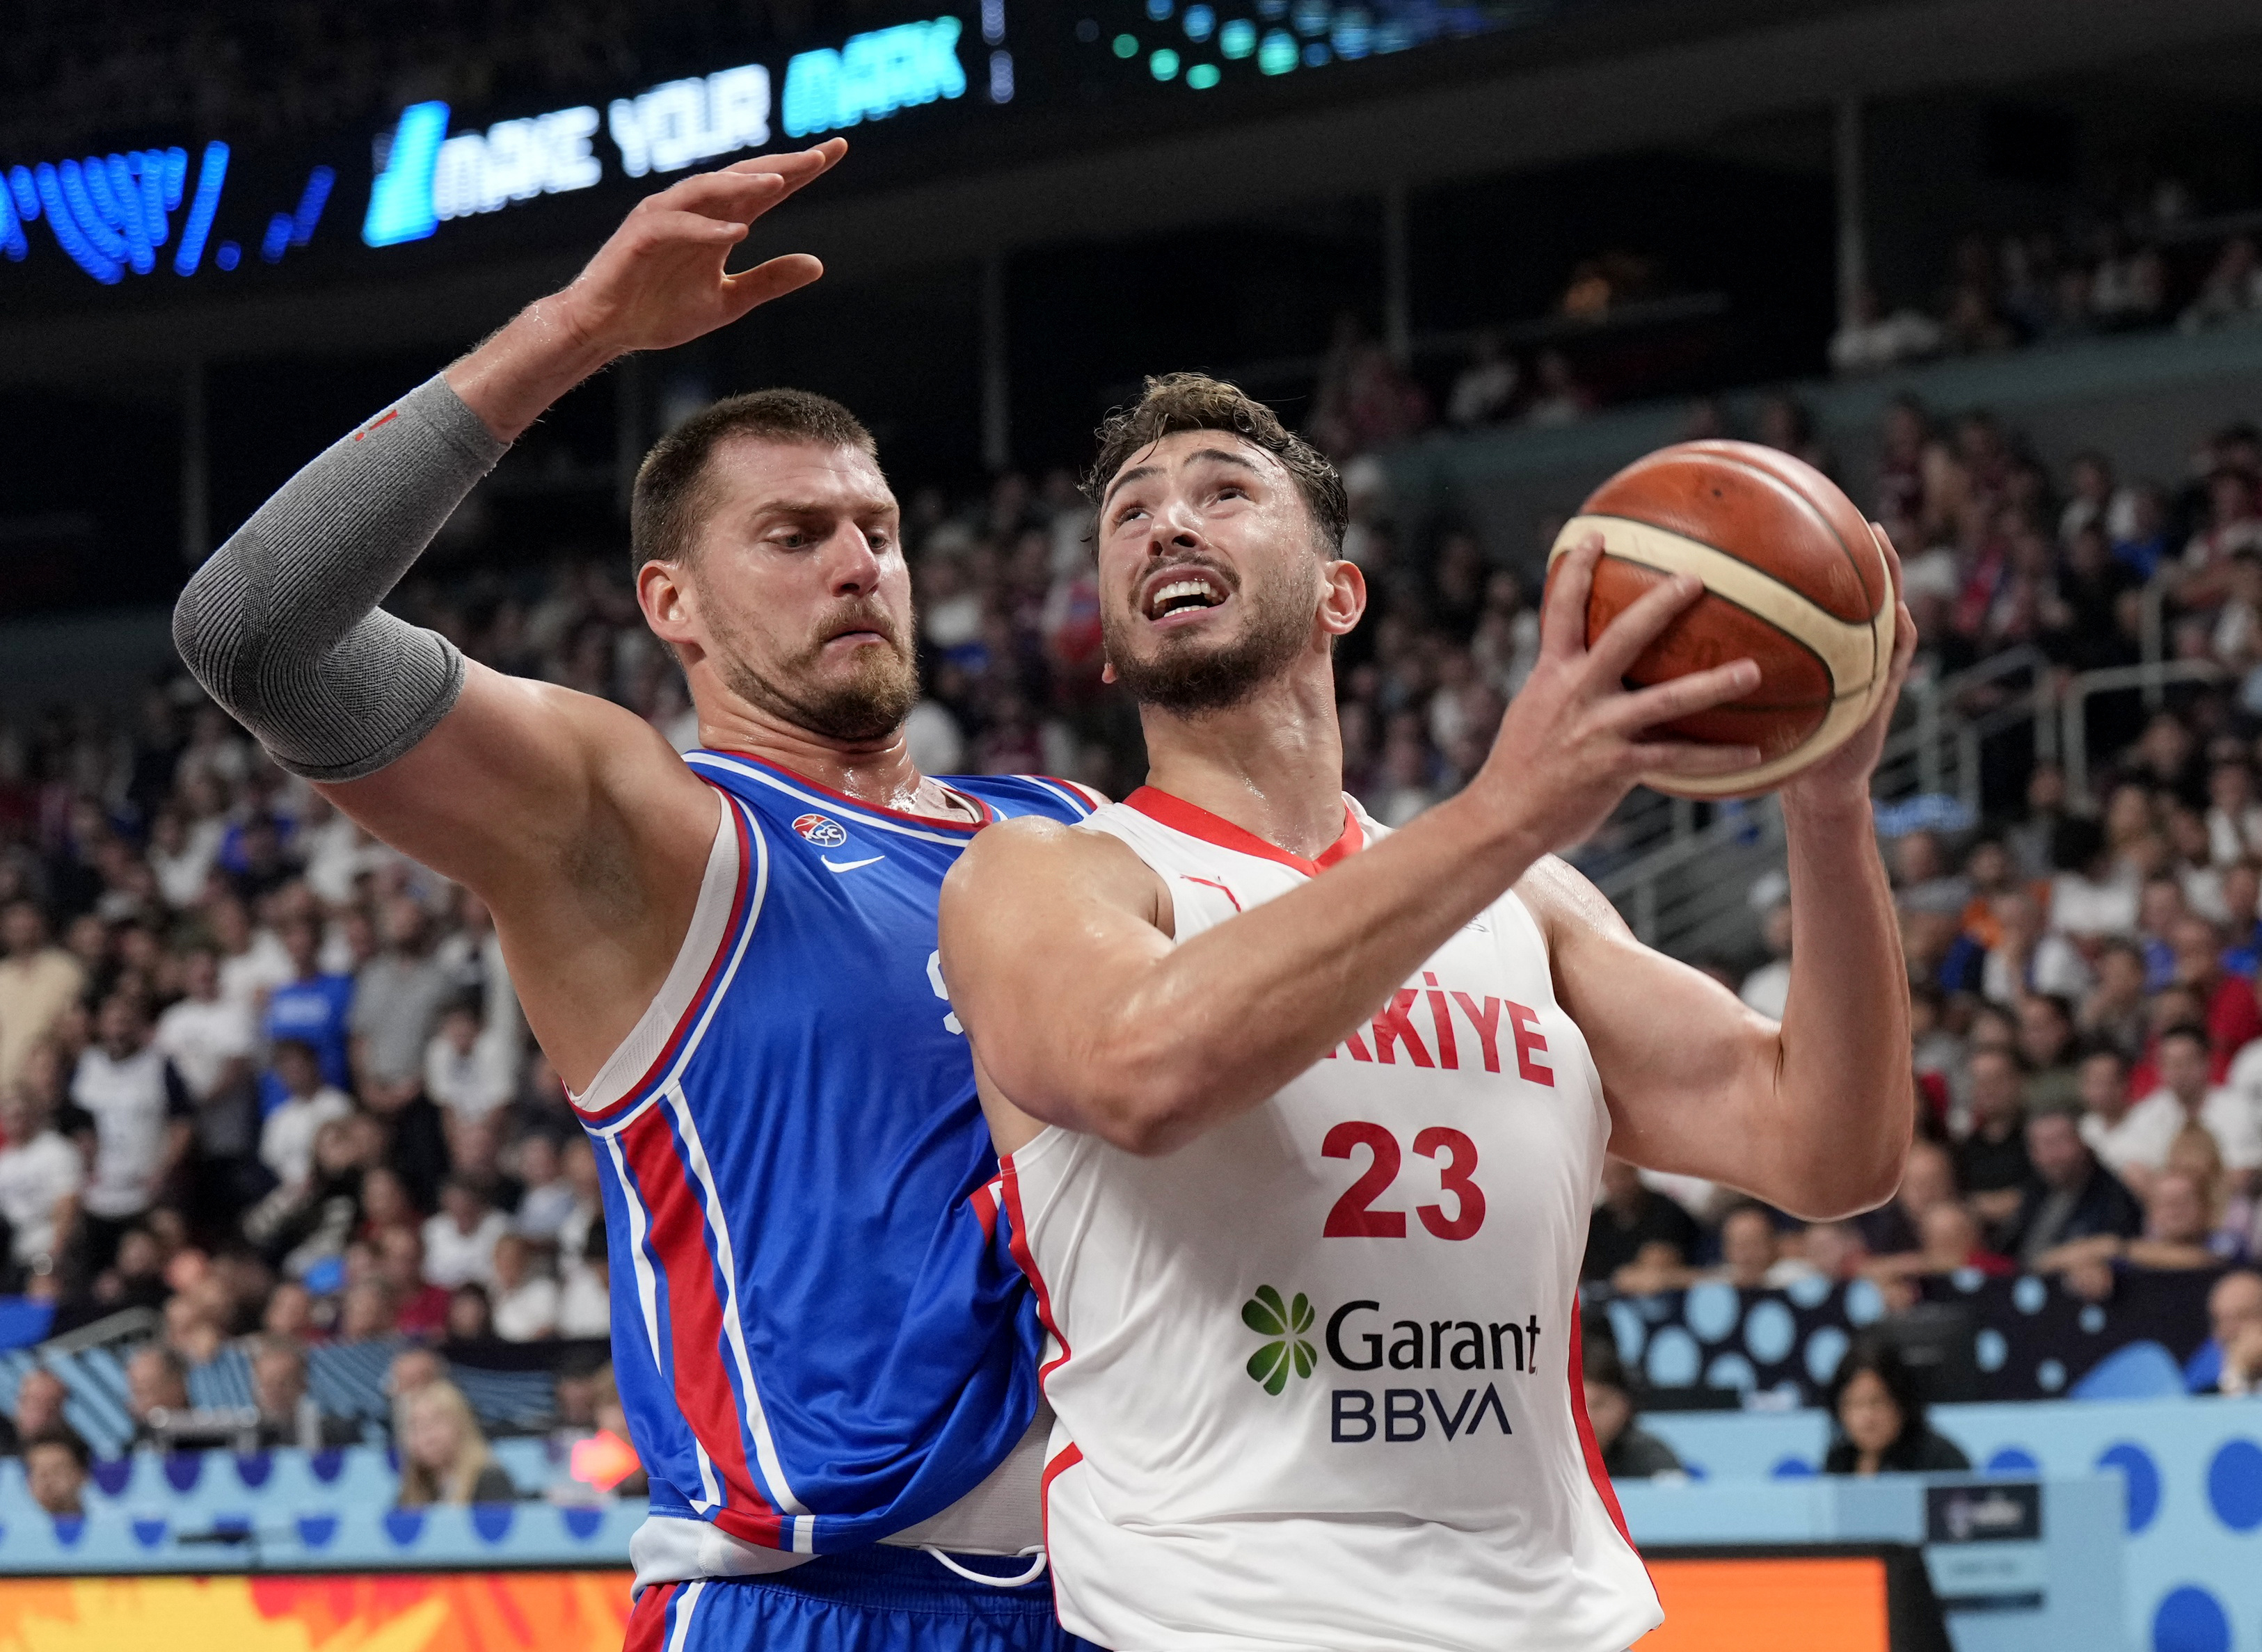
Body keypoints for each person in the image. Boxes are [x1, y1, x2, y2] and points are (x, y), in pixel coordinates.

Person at [173, 141, 1101, 1651]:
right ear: (669, 601)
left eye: (875, 529)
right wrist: (581, 331)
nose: (857, 564)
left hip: (1109, 1587)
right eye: (794, 536)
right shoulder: (652, 829)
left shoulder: (1059, 827)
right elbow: (255, 634)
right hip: (808, 1603)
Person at [938, 373, 1916, 1651]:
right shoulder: (1043, 874)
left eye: (1224, 491)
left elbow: (1831, 1147)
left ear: (1340, 593)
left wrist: (1826, 809)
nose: (1168, 524)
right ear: (1113, 643)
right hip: (1226, 1623)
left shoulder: (1533, 905)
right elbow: (1139, 1071)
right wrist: (1508, 810)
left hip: (1554, 1618)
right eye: (1130, 514)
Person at [68, 994, 193, 1276]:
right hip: (98, 1192)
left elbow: (182, 1124)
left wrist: (164, 1170)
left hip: (146, 1191)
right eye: (112, 1023)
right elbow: (74, 1123)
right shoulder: (87, 1065)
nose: (119, 1031)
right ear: (100, 1026)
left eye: (125, 1022)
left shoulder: (160, 1065)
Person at [1998, 1106, 2144, 1267]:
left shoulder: (2113, 1195)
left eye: (2060, 1142)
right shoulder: (2036, 1189)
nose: (2053, 1155)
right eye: (2043, 1145)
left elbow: (2117, 1249)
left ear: (2081, 1142)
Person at [1822, 1340, 1971, 1475]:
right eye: (1854, 1404)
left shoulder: (1941, 1460)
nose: (1867, 1418)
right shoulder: (1838, 1462)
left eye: (1877, 1402)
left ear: (1902, 1402)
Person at [396, 1379, 517, 1507]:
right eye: (416, 1426)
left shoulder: (491, 1480)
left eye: (435, 1422)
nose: (426, 1437)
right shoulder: (411, 1491)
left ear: (462, 1425)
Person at [1581, 1340, 1683, 1480]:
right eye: (1576, 1405)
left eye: (1599, 1405)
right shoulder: (1547, 1456)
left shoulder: (1652, 1457)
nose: (1588, 1417)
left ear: (1626, 1406)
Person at [2188, 1267, 2262, 1395]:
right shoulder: (2207, 1363)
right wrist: (2237, 1372)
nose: (2227, 1331)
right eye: (2219, 1321)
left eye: (2241, 1317)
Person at [23, 1427, 90, 1519]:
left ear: (81, 1475)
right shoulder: (16, 1528)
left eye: (56, 1471)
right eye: (39, 1473)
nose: (47, 1482)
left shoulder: (108, 1525)